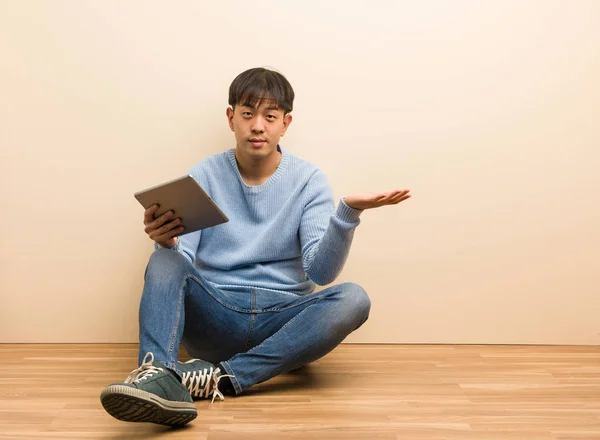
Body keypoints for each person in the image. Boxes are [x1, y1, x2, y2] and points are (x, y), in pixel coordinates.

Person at [100, 67, 411, 426]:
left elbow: (321, 272)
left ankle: (221, 378)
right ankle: (157, 378)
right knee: (164, 262)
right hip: (216, 313)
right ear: (231, 118)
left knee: (354, 298)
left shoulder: (309, 180)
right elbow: (179, 265)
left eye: (270, 116)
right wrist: (168, 243)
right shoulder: (205, 174)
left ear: (285, 123)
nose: (258, 125)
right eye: (248, 114)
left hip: (281, 324)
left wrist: (348, 213)